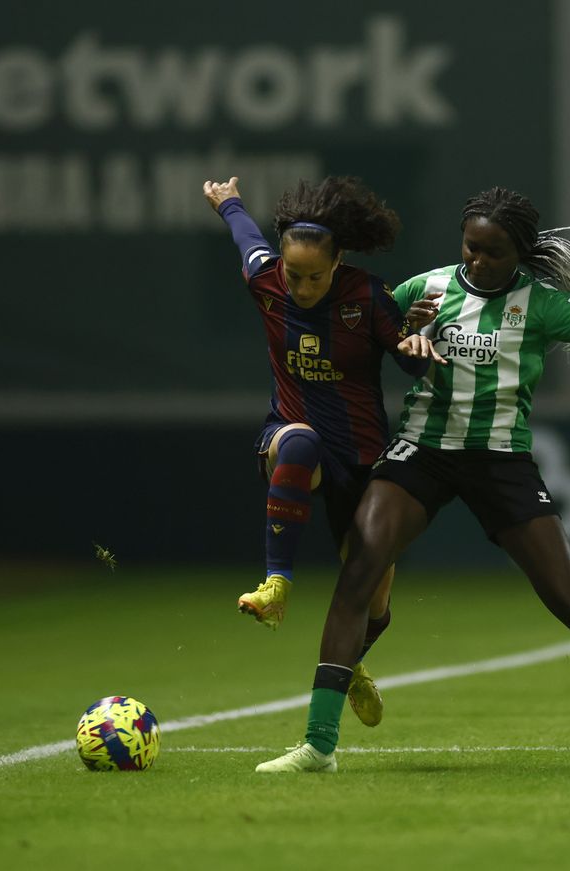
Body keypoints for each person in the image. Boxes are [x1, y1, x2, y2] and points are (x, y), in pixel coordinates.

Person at [256, 186, 570, 773]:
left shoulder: (541, 304)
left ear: (519, 252)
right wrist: (400, 330)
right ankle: (319, 746)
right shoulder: (423, 289)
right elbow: (364, 331)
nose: (477, 260)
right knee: (360, 568)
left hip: (502, 462)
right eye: (470, 247)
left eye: (492, 252)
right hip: (420, 453)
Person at [202, 174, 427, 727]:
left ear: (338, 261)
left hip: (361, 457)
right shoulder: (266, 279)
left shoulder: (368, 296)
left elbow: (412, 361)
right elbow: (244, 236)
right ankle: (277, 582)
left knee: (373, 602)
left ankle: (350, 667)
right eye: (293, 273)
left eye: (314, 276)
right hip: (290, 435)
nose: (300, 287)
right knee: (300, 439)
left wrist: (416, 343)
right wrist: (228, 201)